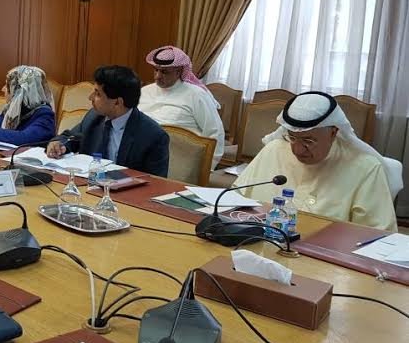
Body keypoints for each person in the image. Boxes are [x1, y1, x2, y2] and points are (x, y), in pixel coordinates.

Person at [236, 91, 399, 231]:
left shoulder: (365, 168)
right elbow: (235, 199)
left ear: (333, 133)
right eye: (292, 138)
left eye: (308, 141)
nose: (297, 150)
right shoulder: (274, 149)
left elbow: (377, 236)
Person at [48, 66, 170, 177]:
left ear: (117, 102)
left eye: (97, 94)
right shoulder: (94, 117)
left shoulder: (153, 136)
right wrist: (59, 144)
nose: (90, 98)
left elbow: (156, 183)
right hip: (89, 187)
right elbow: (69, 137)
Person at [138, 46, 226, 168]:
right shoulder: (144, 92)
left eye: (164, 72)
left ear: (178, 72)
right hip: (141, 158)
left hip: (180, 164)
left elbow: (215, 132)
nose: (157, 76)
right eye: (156, 70)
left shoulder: (196, 95)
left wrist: (207, 168)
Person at [0, 66, 55, 146]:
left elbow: (24, 138)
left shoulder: (44, 114)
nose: (3, 89)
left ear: (19, 91)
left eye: (7, 85)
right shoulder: (11, 110)